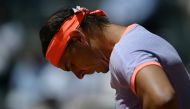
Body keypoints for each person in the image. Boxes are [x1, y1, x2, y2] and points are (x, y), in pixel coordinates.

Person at [39, 6, 190, 109]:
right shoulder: (135, 38)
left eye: (71, 65)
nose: (79, 75)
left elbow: (163, 98)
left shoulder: (125, 52)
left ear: (78, 38)